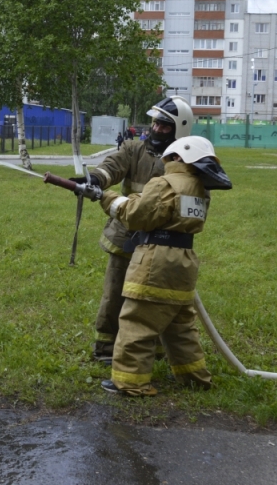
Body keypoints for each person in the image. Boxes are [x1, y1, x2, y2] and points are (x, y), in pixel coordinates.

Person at [96, 136, 231, 396]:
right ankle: (194, 378)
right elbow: (162, 209)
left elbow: (137, 216)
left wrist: (107, 198)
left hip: (156, 261)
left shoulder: (163, 183)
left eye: (168, 158)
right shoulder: (201, 188)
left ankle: (130, 382)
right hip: (184, 262)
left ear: (179, 158)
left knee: (138, 320)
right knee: (181, 326)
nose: (165, 163)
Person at [70, 97, 193, 364]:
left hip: (163, 243)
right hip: (126, 237)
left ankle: (155, 350)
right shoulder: (133, 148)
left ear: (179, 129)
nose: (157, 129)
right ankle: (106, 348)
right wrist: (94, 179)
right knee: (115, 294)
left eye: (165, 126)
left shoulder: (186, 160)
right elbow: (111, 167)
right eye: (156, 123)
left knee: (156, 300)